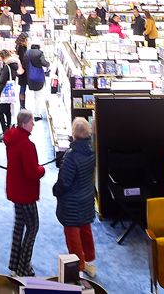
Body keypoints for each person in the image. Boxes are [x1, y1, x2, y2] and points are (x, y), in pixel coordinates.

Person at [54, 117, 97, 279]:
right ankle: (90, 263)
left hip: (71, 204)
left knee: (73, 236)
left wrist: (55, 190)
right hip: (86, 199)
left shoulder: (71, 156)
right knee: (86, 231)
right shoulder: (91, 150)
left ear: (74, 133)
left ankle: (78, 268)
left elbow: (64, 182)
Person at [5, 109, 45, 278]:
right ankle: (23, 266)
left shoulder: (12, 139)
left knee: (19, 225)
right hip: (26, 193)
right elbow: (31, 172)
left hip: (15, 189)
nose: (33, 124)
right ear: (23, 124)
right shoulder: (27, 145)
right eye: (31, 122)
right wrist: (41, 170)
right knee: (33, 227)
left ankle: (14, 264)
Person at [0, 50, 21, 143]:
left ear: (3, 57)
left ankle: (5, 132)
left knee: (0, 113)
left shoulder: (7, 67)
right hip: (10, 94)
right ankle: (8, 130)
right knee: (8, 112)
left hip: (5, 94)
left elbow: (3, 82)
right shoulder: (13, 65)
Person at [23, 42, 50, 119]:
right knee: (38, 96)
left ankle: (30, 113)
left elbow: (24, 64)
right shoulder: (40, 53)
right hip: (39, 77)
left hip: (30, 77)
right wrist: (48, 64)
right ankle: (37, 114)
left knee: (32, 95)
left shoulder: (27, 53)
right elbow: (44, 63)